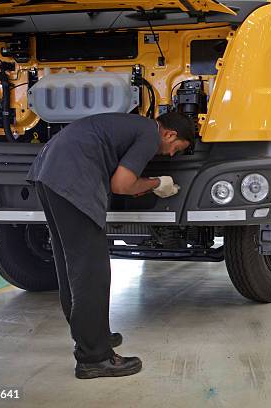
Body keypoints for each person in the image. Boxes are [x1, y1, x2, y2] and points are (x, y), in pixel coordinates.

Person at [27, 111, 194, 379]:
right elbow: (121, 184)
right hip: (73, 180)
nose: (172, 154)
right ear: (169, 134)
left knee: (70, 263)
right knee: (92, 271)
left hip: (48, 173)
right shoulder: (150, 135)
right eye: (177, 148)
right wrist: (156, 183)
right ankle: (94, 358)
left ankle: (93, 335)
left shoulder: (129, 126)